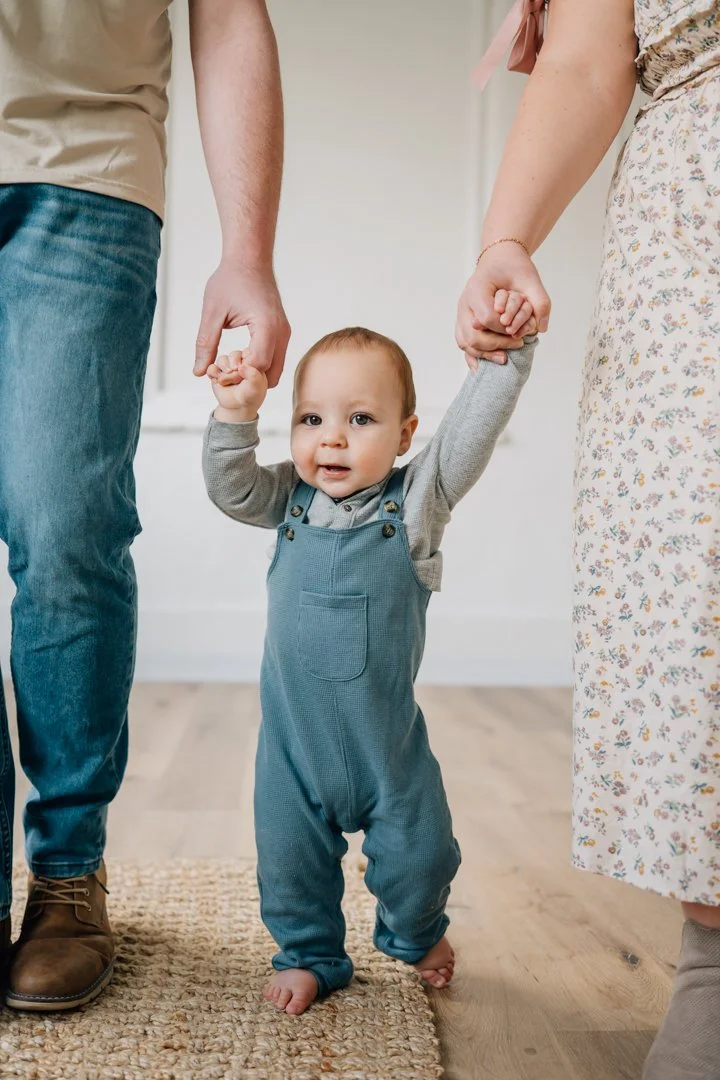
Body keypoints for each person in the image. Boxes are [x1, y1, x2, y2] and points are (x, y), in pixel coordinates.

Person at [0, 0, 289, 1012]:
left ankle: (68, 876)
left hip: (87, 168)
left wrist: (247, 251)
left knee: (64, 523)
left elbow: (226, 11)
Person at [455, 2, 720, 1077]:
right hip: (696, 227)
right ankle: (717, 956)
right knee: (699, 576)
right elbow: (587, 54)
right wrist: (505, 238)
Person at [201, 324, 536, 1014]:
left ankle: (416, 936)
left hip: (387, 753)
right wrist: (236, 413)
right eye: (311, 419)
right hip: (293, 755)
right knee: (289, 869)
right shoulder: (286, 500)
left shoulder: (414, 507)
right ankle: (311, 956)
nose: (332, 438)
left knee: (421, 860)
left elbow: (466, 439)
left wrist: (505, 360)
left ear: (406, 433)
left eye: (360, 419)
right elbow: (231, 489)